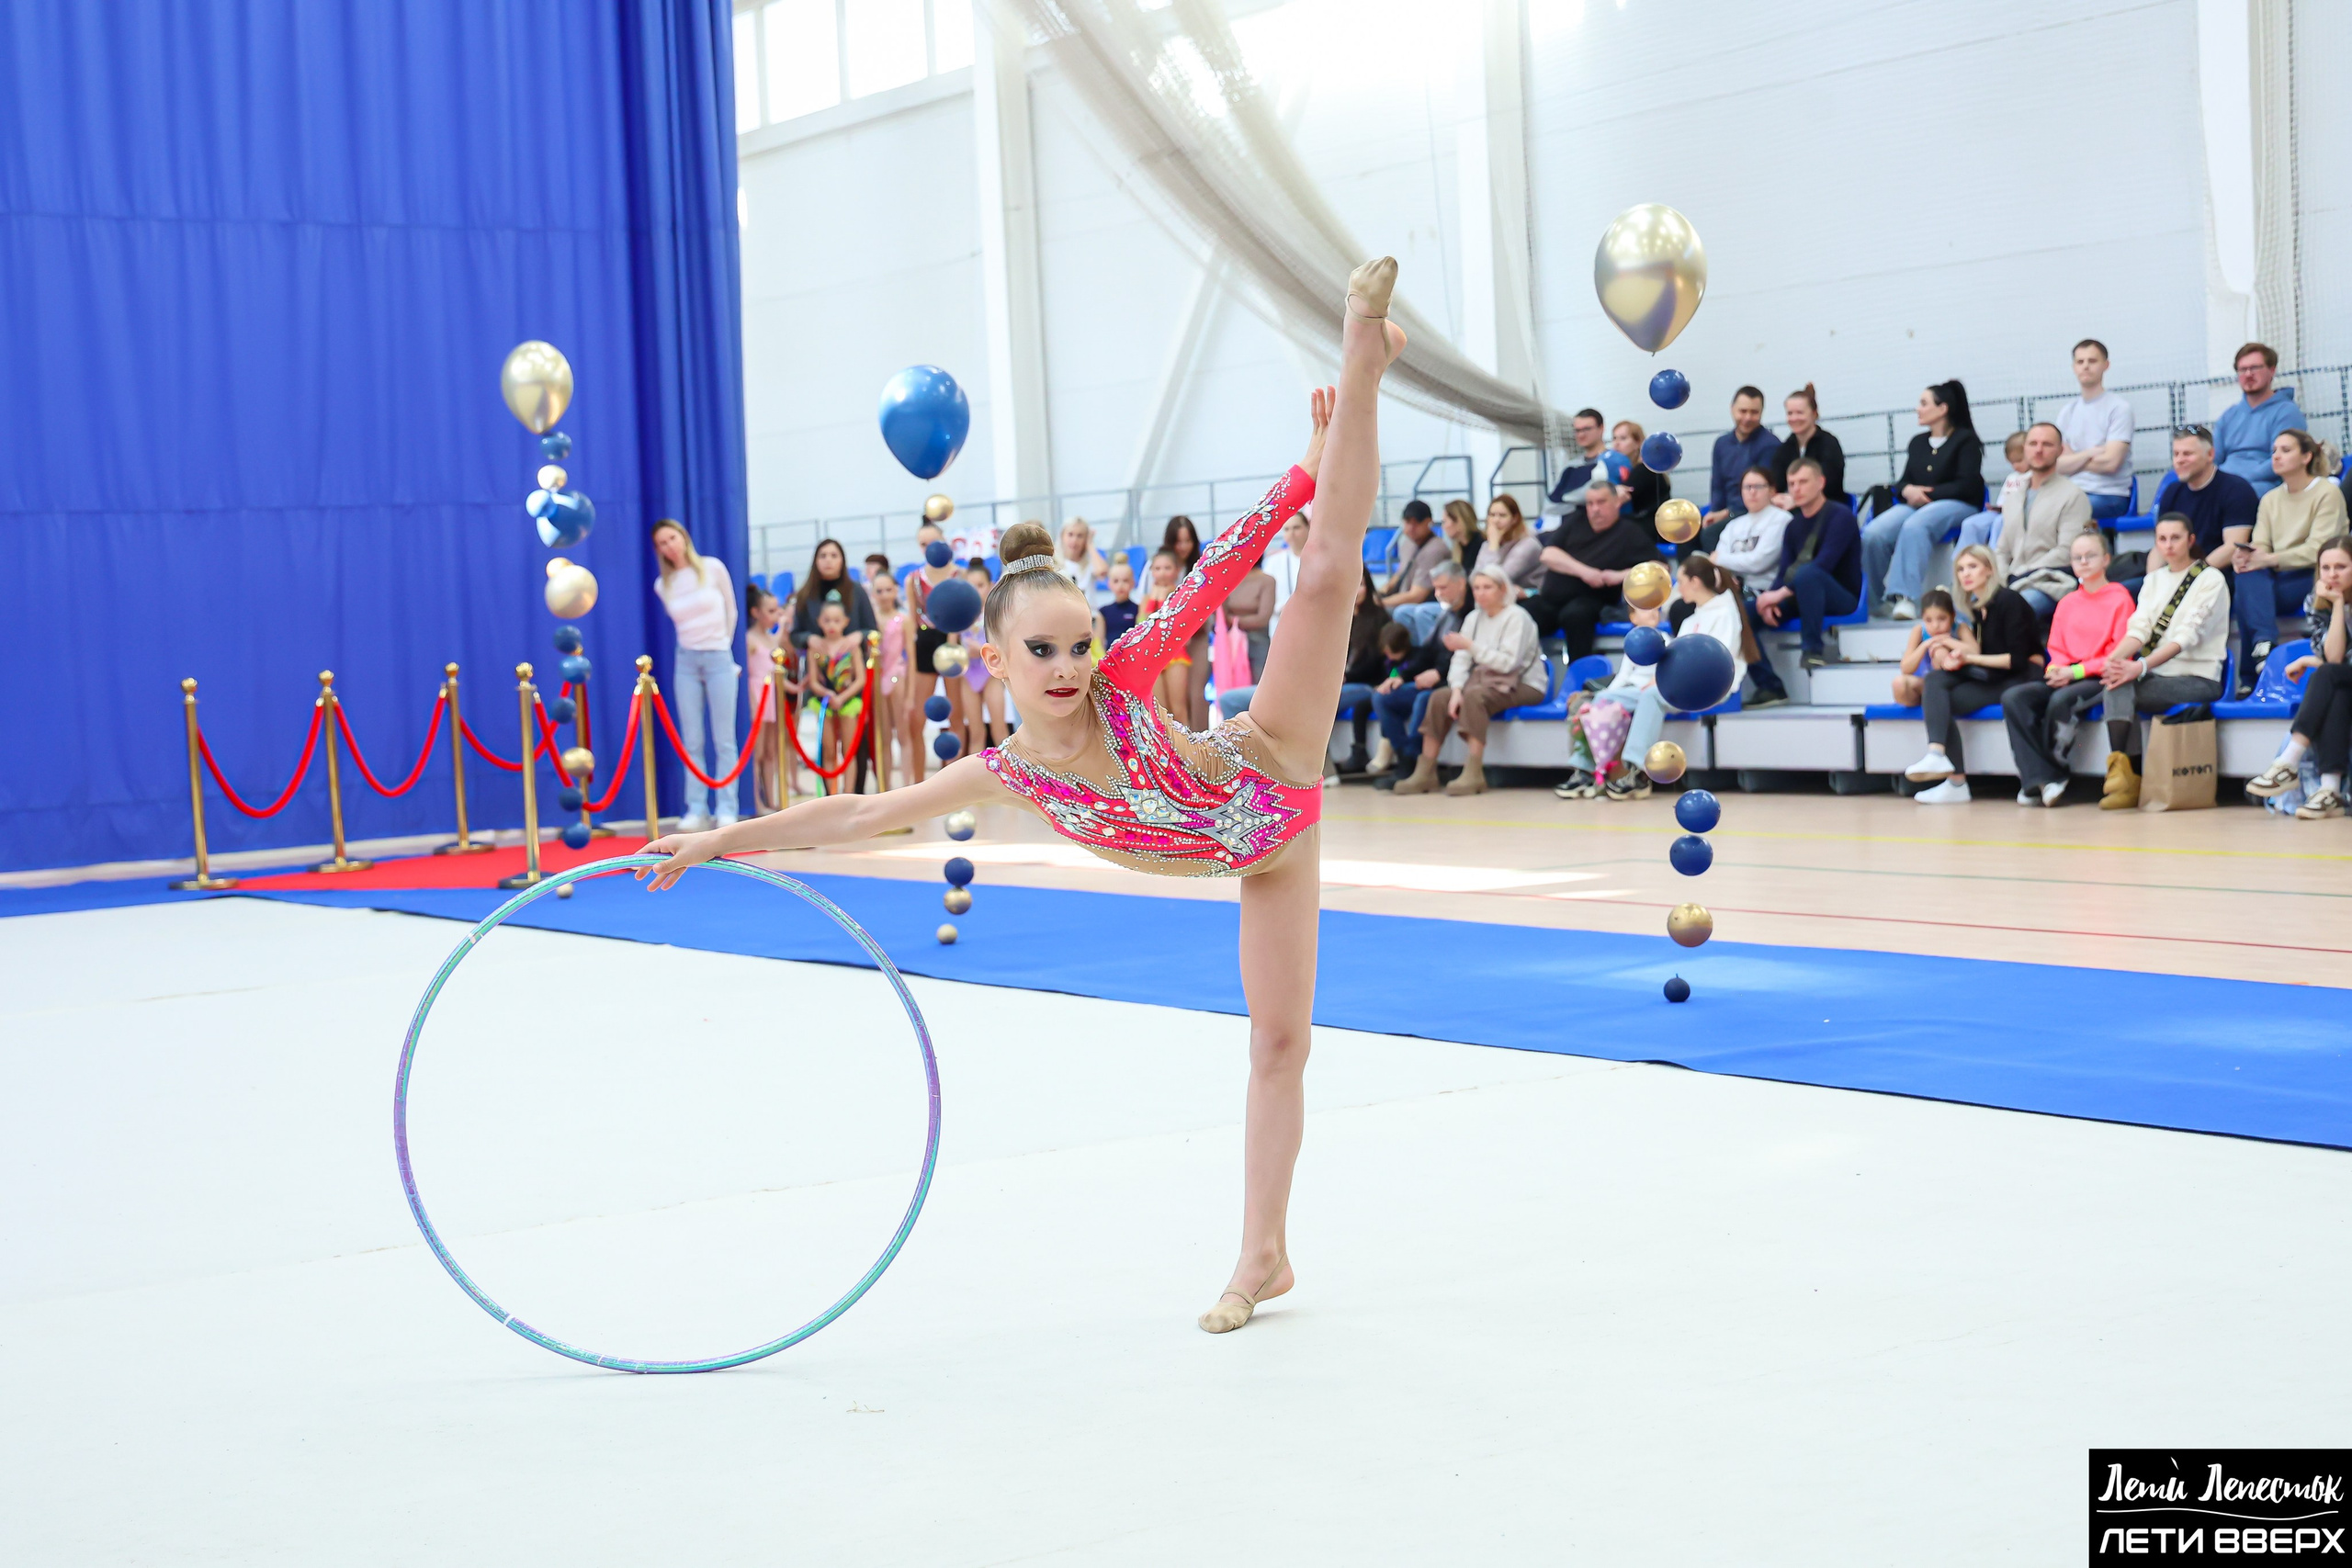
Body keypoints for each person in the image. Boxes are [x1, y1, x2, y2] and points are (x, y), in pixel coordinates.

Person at [644, 257, 1408, 1335]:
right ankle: (1264, 1255)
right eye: (1040, 650)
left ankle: (1360, 360)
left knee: (1327, 572)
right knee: (1275, 1048)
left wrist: (1300, 475)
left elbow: (1207, 579)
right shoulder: (1007, 772)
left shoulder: (1127, 679)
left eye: (1080, 643)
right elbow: (860, 815)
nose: (1067, 665)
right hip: (1257, 862)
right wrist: (725, 837)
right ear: (995, 663)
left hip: (1267, 764)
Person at [2097, 513, 2230, 809]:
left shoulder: (2211, 579)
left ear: (2191, 540)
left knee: (2124, 685)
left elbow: (2186, 638)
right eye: (2162, 539)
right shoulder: (2154, 579)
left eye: (2175, 538)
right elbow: (2139, 629)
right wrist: (2114, 660)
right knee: (2117, 681)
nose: (2168, 545)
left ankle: (2127, 775)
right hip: (2158, 674)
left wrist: (2139, 666)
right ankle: (2123, 775)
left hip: (2200, 677)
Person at [1903, 545, 2044, 804]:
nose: (1965, 574)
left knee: (1939, 698)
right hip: (1995, 676)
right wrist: (1955, 659)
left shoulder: (2009, 600)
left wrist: (1967, 657)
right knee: (1935, 687)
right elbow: (1985, 658)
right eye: (1960, 569)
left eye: (1973, 567)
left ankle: (1954, 779)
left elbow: (2016, 660)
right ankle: (1942, 762)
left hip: (2022, 676)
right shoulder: (1978, 609)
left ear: (1989, 570)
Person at [2004, 532, 2135, 807]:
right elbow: (2057, 647)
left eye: (2091, 556)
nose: (2084, 562)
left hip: (2100, 677)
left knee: (2061, 701)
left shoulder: (2120, 598)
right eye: (2077, 557)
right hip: (2067, 673)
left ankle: (2052, 775)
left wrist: (2074, 673)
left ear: (2106, 559)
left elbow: (2119, 653)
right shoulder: (2067, 602)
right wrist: (2056, 669)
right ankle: (2038, 776)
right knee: (2014, 698)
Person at [1391, 563, 1543, 797]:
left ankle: (1473, 772)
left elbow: (1508, 664)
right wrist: (1457, 689)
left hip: (1525, 683)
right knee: (1440, 697)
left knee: (1475, 697)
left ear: (1503, 589)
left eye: (1487, 587)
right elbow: (1460, 660)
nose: (1480, 593)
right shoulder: (1473, 617)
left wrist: (1470, 646)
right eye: (1477, 588)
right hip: (1484, 681)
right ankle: (1426, 771)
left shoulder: (1517, 617)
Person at [2244, 535, 2352, 818]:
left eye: (2341, 567)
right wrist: (2338, 606)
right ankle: (2330, 791)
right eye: (2326, 568)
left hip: (2341, 673)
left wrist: (2310, 660)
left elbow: (2337, 661)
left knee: (2327, 677)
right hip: (2343, 679)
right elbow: (2336, 659)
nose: (2332, 575)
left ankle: (2289, 761)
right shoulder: (2317, 602)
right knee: (2335, 693)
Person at [1861, 380, 1987, 618]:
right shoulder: (1918, 442)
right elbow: (1903, 481)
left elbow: (1967, 484)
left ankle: (1905, 597)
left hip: (1959, 504)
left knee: (1916, 525)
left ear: (1943, 409)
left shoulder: (1966, 441)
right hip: (1918, 505)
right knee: (1873, 533)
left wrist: (1925, 494)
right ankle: (1875, 602)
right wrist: (1907, 489)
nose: (1917, 409)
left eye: (1923, 403)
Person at [2233, 429, 2348, 687]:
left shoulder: (2327, 493)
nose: (2276, 456)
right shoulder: (2270, 499)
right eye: (2274, 451)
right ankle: (2263, 645)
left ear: (2306, 456)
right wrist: (2250, 557)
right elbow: (2260, 543)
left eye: (2285, 450)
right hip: (2276, 577)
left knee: (2248, 594)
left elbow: (2319, 551)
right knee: (2245, 574)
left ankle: (2250, 676)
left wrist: (2267, 559)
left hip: (2314, 574)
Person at [650, 518, 741, 832]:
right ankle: (697, 807)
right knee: (692, 739)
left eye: (672, 538)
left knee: (724, 739)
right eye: (662, 543)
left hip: (718, 655)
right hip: (686, 661)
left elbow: (732, 611)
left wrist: (725, 651)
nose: (669, 546)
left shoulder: (713, 568)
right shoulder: (664, 585)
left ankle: (728, 806)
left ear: (683, 537)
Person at [1528, 479, 1659, 655]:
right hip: (1551, 600)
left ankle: (1581, 675)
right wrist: (1585, 572)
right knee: (1524, 614)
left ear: (1616, 502)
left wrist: (1621, 576)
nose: (1595, 509)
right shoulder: (1576, 522)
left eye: (1601, 502)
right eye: (1590, 503)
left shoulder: (1629, 532)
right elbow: (1548, 554)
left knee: (1576, 615)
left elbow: (1659, 567)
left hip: (1591, 600)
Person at [1753, 458, 1861, 668]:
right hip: (1800, 594)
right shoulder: (1793, 525)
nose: (1796, 489)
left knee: (1809, 573)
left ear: (1821, 482)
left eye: (1803, 482)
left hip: (1841, 597)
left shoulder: (1841, 516)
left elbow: (1824, 564)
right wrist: (1770, 600)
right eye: (1792, 484)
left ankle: (1813, 651)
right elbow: (1784, 571)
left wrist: (1779, 593)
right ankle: (1769, 685)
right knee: (1747, 612)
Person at [1702, 468, 1794, 706]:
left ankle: (1771, 687)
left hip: (1770, 595)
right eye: (1747, 487)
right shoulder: (1734, 525)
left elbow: (1760, 562)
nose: (1752, 492)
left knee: (1737, 617)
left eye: (1758, 487)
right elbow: (1720, 566)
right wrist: (1723, 565)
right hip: (1737, 594)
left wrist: (1721, 561)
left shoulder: (1781, 520)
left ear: (1772, 491)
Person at [1369, 562, 1467, 786]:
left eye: (1443, 588)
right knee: (1383, 697)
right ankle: (1405, 756)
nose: (1437, 594)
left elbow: (1468, 658)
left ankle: (1412, 762)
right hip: (1436, 678)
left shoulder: (1470, 614)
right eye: (1436, 588)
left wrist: (1439, 673)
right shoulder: (1445, 615)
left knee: (1425, 699)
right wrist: (1401, 677)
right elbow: (1427, 652)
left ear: (1461, 584)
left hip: (1456, 681)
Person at [1556, 602, 1660, 801]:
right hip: (1630, 691)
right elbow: (1623, 676)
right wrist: (1603, 695)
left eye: (1656, 609)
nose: (1653, 613)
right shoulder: (1632, 642)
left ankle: (1631, 772)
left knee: (1608, 699)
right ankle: (1585, 770)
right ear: (1633, 617)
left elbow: (1664, 671)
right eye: (1646, 609)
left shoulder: (1664, 639)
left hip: (1651, 690)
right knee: (1594, 703)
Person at [1992, 423, 2096, 614]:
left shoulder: (2073, 496)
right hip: (2013, 581)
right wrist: (2002, 578)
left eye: (2047, 444)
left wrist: (2022, 574)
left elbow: (2067, 551)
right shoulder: (2013, 497)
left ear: (2060, 450)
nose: (2039, 450)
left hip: (2051, 583)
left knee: (2015, 609)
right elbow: (2002, 550)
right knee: (1972, 607)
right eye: (2033, 444)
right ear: (2025, 449)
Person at [899, 521, 968, 786]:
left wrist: (952, 645)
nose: (929, 548)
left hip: (951, 644)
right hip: (925, 644)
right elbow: (911, 625)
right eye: (923, 544)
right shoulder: (914, 579)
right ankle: (919, 782)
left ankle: (958, 782)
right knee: (917, 717)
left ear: (944, 542)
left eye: (933, 543)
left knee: (955, 712)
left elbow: (963, 616)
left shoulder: (958, 576)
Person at [2051, 339, 2135, 526]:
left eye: (2092, 361)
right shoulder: (2067, 412)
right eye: (2080, 362)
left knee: (2062, 513)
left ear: (2106, 365)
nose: (2086, 367)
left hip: (2109, 495)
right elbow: (2056, 465)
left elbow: (2111, 463)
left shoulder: (2119, 408)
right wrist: (2090, 453)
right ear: (2074, 367)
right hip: (2071, 492)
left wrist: (2074, 459)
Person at [2160, 424, 2261, 571]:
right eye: (2176, 454)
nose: (2179, 460)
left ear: (2210, 455)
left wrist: (2191, 577)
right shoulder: (2172, 491)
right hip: (2181, 573)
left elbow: (2233, 546)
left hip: (2221, 574)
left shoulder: (2237, 489)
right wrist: (2152, 581)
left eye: (2187, 454)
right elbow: (2159, 547)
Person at [2213, 342, 2306, 495]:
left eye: (2255, 368)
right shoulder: (2228, 416)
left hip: (2263, 487)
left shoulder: (2286, 412)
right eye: (2242, 370)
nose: (2248, 374)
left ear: (2272, 370)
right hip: (2225, 485)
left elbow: (2283, 459)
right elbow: (2213, 458)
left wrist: (2237, 481)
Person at [743, 582, 799, 811]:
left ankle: (771, 799)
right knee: (757, 752)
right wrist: (753, 703)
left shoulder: (768, 638)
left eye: (777, 610)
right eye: (771, 611)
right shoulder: (749, 640)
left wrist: (793, 687)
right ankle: (756, 801)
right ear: (755, 613)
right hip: (758, 695)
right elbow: (748, 673)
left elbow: (774, 668)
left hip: (771, 697)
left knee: (770, 751)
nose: (776, 615)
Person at [1336, 566, 1392, 774]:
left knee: (1320, 703)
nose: (1355, 591)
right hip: (1344, 682)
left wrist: (1346, 676)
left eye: (1360, 585)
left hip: (1368, 683)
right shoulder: (1339, 618)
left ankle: (1335, 763)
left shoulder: (1380, 618)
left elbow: (1376, 662)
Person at [805, 599, 866, 785]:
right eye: (827, 620)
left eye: (836, 620)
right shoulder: (815, 648)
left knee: (848, 752)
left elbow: (861, 679)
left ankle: (847, 797)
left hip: (847, 702)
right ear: (819, 622)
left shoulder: (851, 647)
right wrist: (827, 694)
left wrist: (842, 698)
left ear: (845, 622)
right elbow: (813, 681)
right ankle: (831, 796)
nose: (832, 625)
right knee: (829, 751)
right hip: (825, 702)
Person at [1702, 386, 1780, 532]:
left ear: (1762, 413)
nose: (1748, 418)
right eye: (1743, 411)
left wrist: (1727, 513)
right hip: (1725, 513)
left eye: (1754, 412)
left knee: (1710, 534)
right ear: (1732, 409)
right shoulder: (1721, 444)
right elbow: (1717, 487)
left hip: (1753, 513)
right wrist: (1715, 513)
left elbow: (1761, 493)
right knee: (1687, 535)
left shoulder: (1770, 445)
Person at [1162, 515, 1213, 728]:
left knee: (1196, 695)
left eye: (1188, 541)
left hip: (1198, 639)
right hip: (1169, 644)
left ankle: (1202, 747)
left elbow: (1209, 606)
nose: (1183, 547)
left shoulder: (1202, 567)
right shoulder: (1158, 565)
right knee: (1171, 702)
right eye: (1178, 541)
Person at [787, 538, 878, 649]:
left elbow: (873, 631)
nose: (828, 560)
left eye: (834, 556)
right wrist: (809, 639)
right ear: (816, 561)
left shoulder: (857, 591)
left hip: (852, 660)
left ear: (842, 561)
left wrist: (860, 636)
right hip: (817, 660)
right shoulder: (805, 594)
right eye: (823, 556)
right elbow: (795, 635)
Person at [1769, 384, 1845, 508]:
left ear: (1814, 414)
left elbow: (1830, 484)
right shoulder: (1785, 448)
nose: (1794, 418)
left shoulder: (1829, 443)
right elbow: (1775, 482)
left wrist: (1795, 500)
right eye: (1790, 413)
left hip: (1826, 508)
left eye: (1800, 413)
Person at [1959, 431, 2032, 551]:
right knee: (1970, 524)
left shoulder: (2034, 476)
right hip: (2001, 512)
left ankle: (1994, 559)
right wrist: (1996, 508)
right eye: (2012, 463)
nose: (2015, 467)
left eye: (2019, 461)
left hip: (2018, 515)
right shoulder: (2012, 477)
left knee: (1999, 523)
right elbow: (2002, 500)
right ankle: (1964, 559)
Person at [869, 572, 909, 792]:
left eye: (888, 590)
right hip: (878, 679)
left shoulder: (904, 619)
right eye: (879, 591)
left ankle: (908, 786)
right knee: (882, 736)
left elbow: (910, 656)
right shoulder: (872, 621)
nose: (884, 595)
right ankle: (884, 786)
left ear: (895, 591)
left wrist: (911, 693)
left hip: (898, 676)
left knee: (903, 734)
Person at [1887, 590, 1959, 710]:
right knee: (1898, 684)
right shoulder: (1920, 631)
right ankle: (1926, 707)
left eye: (1942, 619)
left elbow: (1974, 651)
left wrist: (1947, 642)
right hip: (1925, 686)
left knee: (1940, 652)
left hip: (1952, 687)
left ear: (1952, 616)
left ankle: (1939, 701)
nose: (1935, 625)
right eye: (1929, 620)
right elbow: (1905, 668)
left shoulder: (1959, 628)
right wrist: (1926, 645)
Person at [1223, 545, 1278, 683]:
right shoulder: (1228, 579)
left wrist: (1233, 621)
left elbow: (1263, 618)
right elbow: (1220, 614)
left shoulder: (1267, 580)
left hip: (1258, 642)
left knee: (1260, 686)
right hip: (1229, 643)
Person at [1380, 499, 1449, 608]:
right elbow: (1400, 573)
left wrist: (1379, 603)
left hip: (1423, 604)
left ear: (1428, 522)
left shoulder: (1435, 550)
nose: (1411, 528)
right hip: (1404, 597)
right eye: (1408, 523)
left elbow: (1417, 596)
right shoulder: (1408, 543)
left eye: (1416, 523)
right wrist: (1383, 591)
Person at [1609, 419, 1671, 533]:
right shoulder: (1630, 468)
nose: (1616, 444)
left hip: (1655, 527)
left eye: (1623, 438)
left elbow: (1622, 495)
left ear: (1637, 443)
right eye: (1614, 438)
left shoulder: (1644, 469)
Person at [1545, 408, 1612, 507]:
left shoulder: (1612, 461)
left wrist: (1567, 498)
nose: (1581, 435)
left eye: (1587, 429)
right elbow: (1551, 503)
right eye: (1577, 430)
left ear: (1601, 428)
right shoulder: (1571, 468)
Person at [1481, 493, 1542, 600]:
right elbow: (1477, 577)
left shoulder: (1528, 544)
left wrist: (1494, 545)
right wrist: (1493, 544)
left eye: (1502, 515)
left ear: (1515, 519)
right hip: (1503, 597)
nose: (1496, 521)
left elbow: (1496, 579)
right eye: (1492, 515)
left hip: (1532, 599)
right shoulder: (1488, 544)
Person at [1055, 518, 1110, 604]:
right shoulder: (1054, 562)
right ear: (1062, 536)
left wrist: (1090, 544)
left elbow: (1102, 572)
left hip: (1090, 613)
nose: (1074, 540)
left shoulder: (1090, 563)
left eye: (1080, 536)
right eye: (1070, 534)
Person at [1098, 556, 1139, 650]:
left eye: (1125, 581)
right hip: (1111, 659)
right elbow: (1099, 643)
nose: (1121, 585)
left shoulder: (1138, 609)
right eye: (1116, 581)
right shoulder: (1103, 612)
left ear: (1133, 583)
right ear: (1109, 584)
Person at [1441, 499, 1485, 574]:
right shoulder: (1459, 548)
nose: (1443, 527)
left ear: (1458, 521)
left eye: (1445, 521)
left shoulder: (1481, 545)